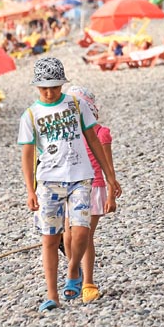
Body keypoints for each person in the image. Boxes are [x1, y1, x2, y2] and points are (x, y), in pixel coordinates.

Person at [18, 57, 120, 312]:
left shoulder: (76, 105)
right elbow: (28, 155)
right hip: (49, 182)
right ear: (37, 87)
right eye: (45, 88)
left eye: (55, 86)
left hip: (80, 178)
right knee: (50, 239)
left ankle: (73, 269)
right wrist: (30, 190)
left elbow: (93, 140)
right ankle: (53, 294)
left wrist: (109, 176)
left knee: (82, 229)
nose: (50, 92)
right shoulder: (31, 114)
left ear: (62, 84)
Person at [64, 85, 117, 303]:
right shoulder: (67, 133)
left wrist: (111, 193)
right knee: (67, 236)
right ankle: (74, 274)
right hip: (69, 187)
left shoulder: (100, 133)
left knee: (84, 236)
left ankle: (88, 281)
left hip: (93, 188)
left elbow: (108, 167)